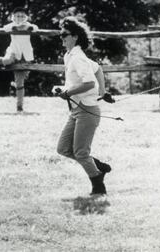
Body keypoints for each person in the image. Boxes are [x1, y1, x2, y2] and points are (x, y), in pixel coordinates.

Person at [55, 16, 111, 196]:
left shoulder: (77, 57)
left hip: (87, 111)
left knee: (80, 152)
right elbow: (97, 69)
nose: (62, 37)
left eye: (65, 34)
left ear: (75, 37)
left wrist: (68, 93)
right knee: (63, 149)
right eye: (60, 33)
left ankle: (98, 186)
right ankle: (97, 166)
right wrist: (64, 89)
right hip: (76, 110)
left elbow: (89, 83)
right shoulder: (70, 56)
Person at [0, 7, 38, 112]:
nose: (20, 18)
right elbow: (5, 28)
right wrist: (16, 26)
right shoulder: (11, 25)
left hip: (25, 56)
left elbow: (35, 28)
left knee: (20, 82)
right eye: (18, 16)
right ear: (13, 17)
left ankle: (19, 106)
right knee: (6, 61)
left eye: (22, 16)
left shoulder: (28, 26)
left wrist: (27, 26)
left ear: (26, 17)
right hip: (13, 52)